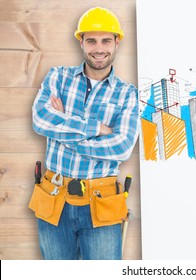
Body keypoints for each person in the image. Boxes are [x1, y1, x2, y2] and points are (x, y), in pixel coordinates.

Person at [29, 7, 139, 260]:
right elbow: (40, 120)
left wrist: (64, 130)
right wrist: (96, 129)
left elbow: (121, 147)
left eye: (105, 41)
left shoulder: (127, 93)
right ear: (81, 42)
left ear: (117, 42)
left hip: (101, 201)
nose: (98, 48)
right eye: (91, 40)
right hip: (54, 197)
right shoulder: (58, 77)